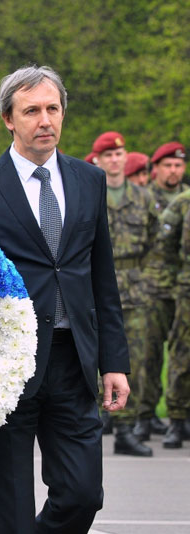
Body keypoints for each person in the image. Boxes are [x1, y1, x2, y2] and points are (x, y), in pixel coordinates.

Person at [0, 65, 129, 533]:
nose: (45, 120)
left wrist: (114, 361)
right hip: (4, 367)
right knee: (9, 511)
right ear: (9, 118)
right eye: (32, 111)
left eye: (53, 108)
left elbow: (101, 277)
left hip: (74, 362)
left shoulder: (89, 180)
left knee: (83, 495)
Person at [92, 131, 157, 456]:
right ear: (98, 160)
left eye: (119, 155)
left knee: (136, 359)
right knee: (89, 353)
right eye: (108, 155)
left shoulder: (143, 197)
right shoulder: (89, 193)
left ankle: (126, 429)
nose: (115, 160)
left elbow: (156, 241)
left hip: (135, 287)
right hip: (95, 286)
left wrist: (145, 276)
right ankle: (95, 416)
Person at [137, 142, 190, 441]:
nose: (173, 170)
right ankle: (144, 416)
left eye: (178, 165)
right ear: (156, 167)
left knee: (182, 355)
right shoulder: (146, 197)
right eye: (168, 165)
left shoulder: (185, 198)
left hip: (181, 287)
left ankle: (178, 415)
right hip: (155, 287)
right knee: (149, 354)